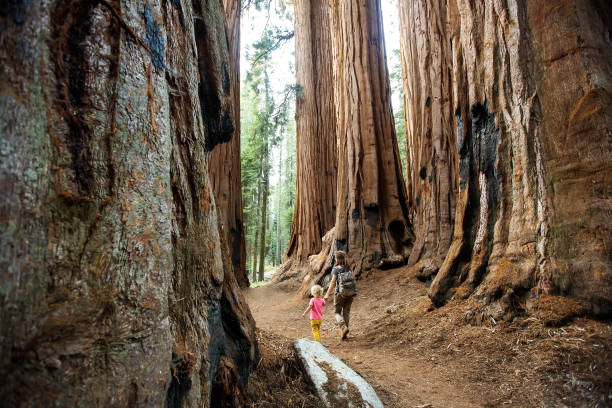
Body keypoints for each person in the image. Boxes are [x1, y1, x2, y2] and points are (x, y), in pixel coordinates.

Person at [324, 251, 356, 340]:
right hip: (350, 293)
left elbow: (333, 282)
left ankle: (342, 326)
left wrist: (327, 294)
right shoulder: (348, 268)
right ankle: (344, 334)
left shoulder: (336, 269)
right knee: (346, 312)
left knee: (337, 312)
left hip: (339, 294)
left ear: (337, 259)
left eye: (335, 257)